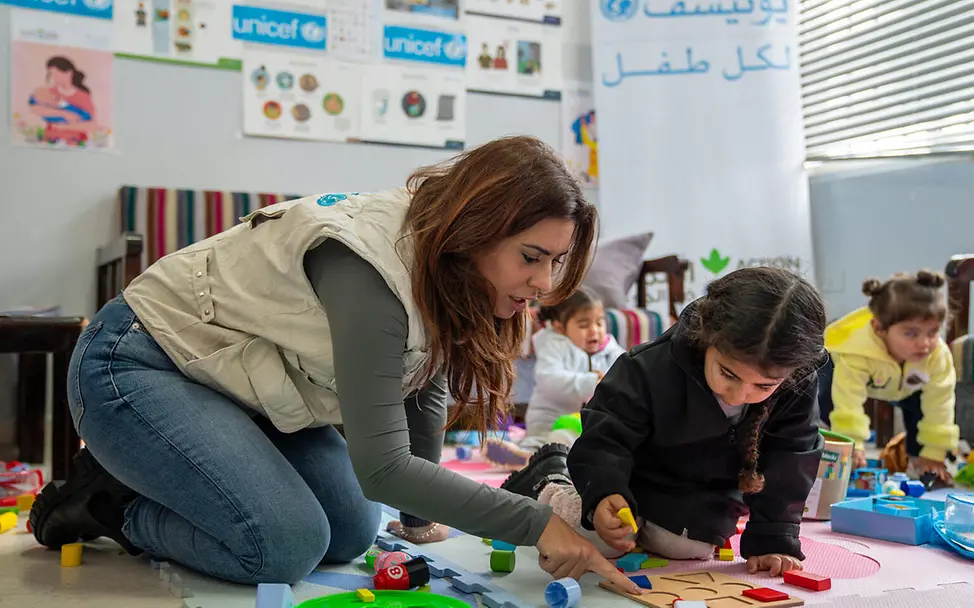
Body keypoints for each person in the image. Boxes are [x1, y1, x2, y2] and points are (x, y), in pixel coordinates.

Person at [28, 136, 645, 595]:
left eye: (556, 262)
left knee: (351, 533)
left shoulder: (448, 262)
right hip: (137, 364)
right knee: (284, 546)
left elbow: (422, 383)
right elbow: (383, 467)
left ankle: (169, 475)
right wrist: (538, 524)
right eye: (531, 258)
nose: (543, 285)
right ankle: (110, 501)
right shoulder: (373, 273)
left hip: (243, 390)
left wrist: (419, 518)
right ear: (477, 228)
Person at [502, 267, 827, 576]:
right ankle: (548, 481)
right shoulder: (648, 367)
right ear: (705, 338)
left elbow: (792, 458)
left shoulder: (797, 381)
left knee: (688, 547)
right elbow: (606, 439)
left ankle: (646, 523)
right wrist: (603, 494)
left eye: (764, 386)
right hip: (634, 478)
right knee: (597, 539)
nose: (739, 395)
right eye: (728, 374)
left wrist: (774, 538)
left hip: (701, 493)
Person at [819, 270, 959, 483]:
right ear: (879, 329)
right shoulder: (857, 350)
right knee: (824, 396)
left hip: (905, 386)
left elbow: (940, 404)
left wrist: (934, 452)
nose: (924, 343)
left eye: (933, 332)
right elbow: (848, 400)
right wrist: (852, 443)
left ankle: (919, 460)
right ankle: (829, 447)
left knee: (923, 405)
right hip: (842, 378)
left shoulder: (937, 356)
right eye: (911, 333)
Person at [483, 287, 624, 468]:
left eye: (599, 323)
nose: (594, 331)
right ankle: (528, 457)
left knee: (596, 443)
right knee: (553, 440)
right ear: (559, 327)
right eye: (583, 325)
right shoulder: (554, 345)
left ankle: (538, 459)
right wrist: (591, 383)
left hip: (588, 426)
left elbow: (626, 376)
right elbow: (549, 379)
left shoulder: (611, 350)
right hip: (550, 420)